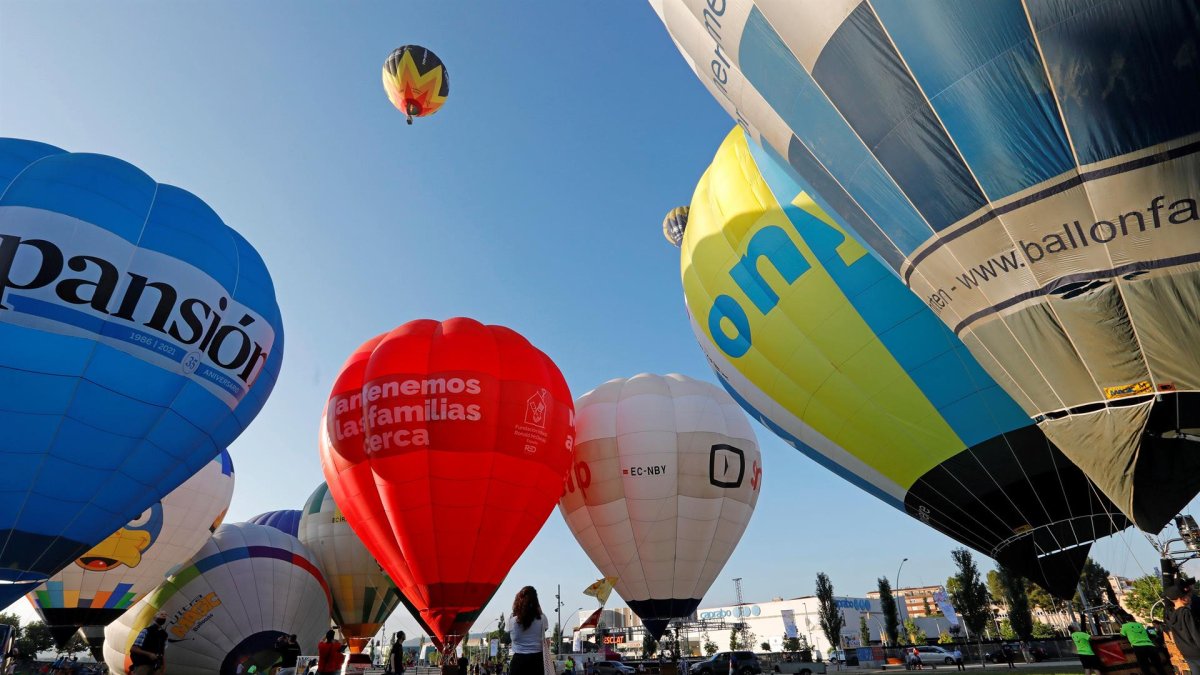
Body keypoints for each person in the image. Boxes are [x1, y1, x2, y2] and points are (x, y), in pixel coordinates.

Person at [506, 586, 548, 675]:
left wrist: (517, 607)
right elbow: (544, 628)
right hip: (537, 662)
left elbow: (509, 629)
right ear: (536, 602)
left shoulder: (511, 621)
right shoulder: (542, 619)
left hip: (518, 662)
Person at [1165, 582, 1200, 675]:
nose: (1190, 597)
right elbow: (1195, 633)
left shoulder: (1170, 614)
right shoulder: (1186, 612)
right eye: (1188, 595)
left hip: (1186, 652)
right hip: (1197, 651)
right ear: (1182, 598)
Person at [129, 611, 169, 675]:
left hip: (157, 666)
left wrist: (163, 666)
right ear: (154, 617)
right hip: (143, 665)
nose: (163, 616)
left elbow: (162, 652)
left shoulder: (164, 634)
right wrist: (149, 654)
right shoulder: (146, 631)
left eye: (165, 615)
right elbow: (133, 649)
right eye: (161, 614)